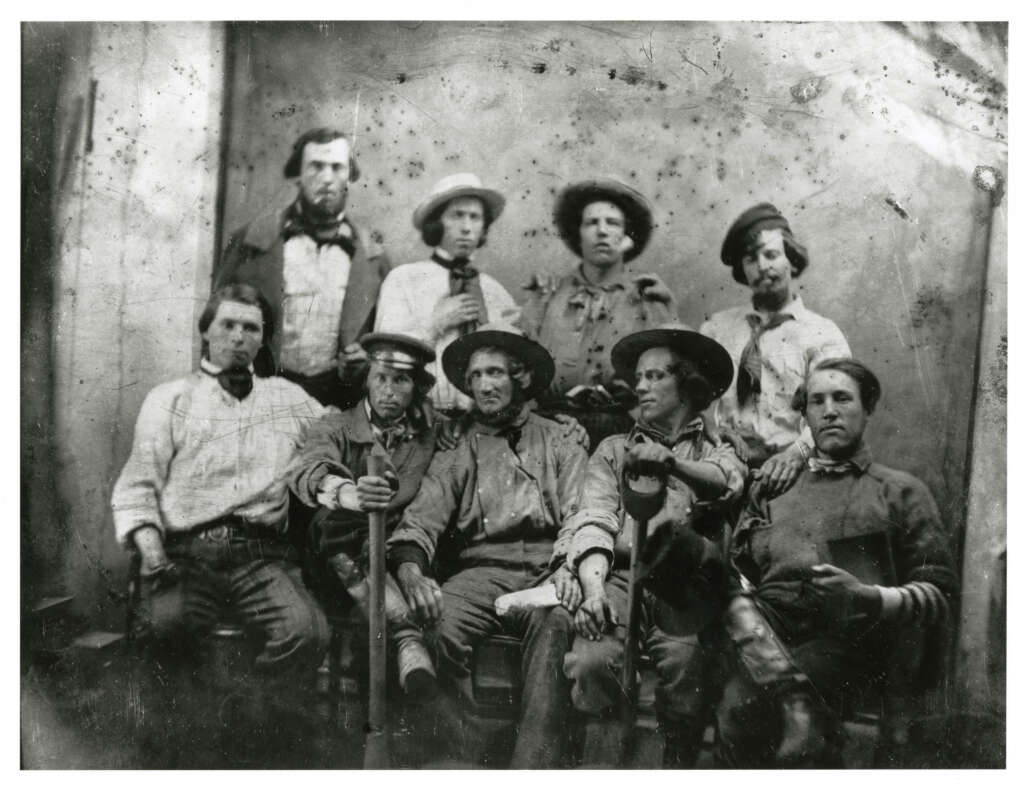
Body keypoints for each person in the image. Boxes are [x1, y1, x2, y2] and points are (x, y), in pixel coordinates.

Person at [717, 358, 958, 767]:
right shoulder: (775, 486)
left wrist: (870, 596)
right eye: (817, 401)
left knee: (784, 705)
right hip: (764, 631)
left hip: (844, 639)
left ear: (867, 408)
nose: (829, 410)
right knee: (737, 707)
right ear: (806, 415)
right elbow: (739, 571)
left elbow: (941, 595)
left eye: (842, 398)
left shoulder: (898, 491)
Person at [387, 326, 588, 768]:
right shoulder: (458, 444)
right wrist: (411, 570)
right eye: (476, 375)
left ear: (520, 379)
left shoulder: (560, 439)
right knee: (431, 625)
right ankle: (468, 755)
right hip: (483, 574)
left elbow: (581, 514)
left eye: (495, 372)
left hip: (548, 568)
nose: (484, 385)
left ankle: (530, 767)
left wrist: (568, 569)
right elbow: (423, 516)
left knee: (556, 626)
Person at [111, 283, 329, 682]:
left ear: (263, 339)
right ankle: (190, 736)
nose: (238, 337)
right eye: (228, 324)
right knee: (164, 633)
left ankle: (248, 722)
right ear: (206, 331)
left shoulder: (287, 398)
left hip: (262, 557)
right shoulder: (171, 398)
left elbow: (339, 435)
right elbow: (137, 485)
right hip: (186, 555)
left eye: (251, 328)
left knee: (308, 635)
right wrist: (154, 557)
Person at [557, 326, 746, 767]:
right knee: (592, 661)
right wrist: (595, 591)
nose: (640, 386)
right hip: (620, 579)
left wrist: (674, 463)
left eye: (656, 376)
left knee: (687, 666)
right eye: (638, 377)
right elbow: (594, 520)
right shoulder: (613, 449)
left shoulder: (718, 448)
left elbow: (728, 483)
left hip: (686, 588)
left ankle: (674, 766)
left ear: (687, 385)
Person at [289, 332, 440, 695]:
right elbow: (308, 468)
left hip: (398, 559)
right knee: (335, 522)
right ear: (366, 381)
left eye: (401, 380)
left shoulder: (432, 431)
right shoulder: (335, 426)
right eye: (380, 378)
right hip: (333, 565)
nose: (389, 390)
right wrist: (346, 493)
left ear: (416, 388)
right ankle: (406, 636)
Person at [215, 127, 392, 409]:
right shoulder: (251, 243)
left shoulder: (373, 257)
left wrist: (364, 365)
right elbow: (216, 326)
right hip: (261, 399)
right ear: (298, 173)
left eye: (337, 168)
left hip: (340, 404)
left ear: (350, 175)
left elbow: (386, 347)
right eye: (316, 167)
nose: (326, 179)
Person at [700, 203, 850, 496]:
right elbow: (692, 400)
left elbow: (836, 411)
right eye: (751, 259)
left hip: (793, 470)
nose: (762, 265)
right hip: (723, 465)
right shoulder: (716, 329)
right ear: (742, 270)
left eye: (771, 254)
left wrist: (796, 455)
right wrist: (711, 430)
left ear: (791, 260)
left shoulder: (822, 334)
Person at [522, 177, 678, 448]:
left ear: (627, 236)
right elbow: (520, 369)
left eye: (613, 223)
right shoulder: (547, 295)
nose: (602, 231)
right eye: (592, 223)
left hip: (623, 433)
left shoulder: (647, 298)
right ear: (578, 233)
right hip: (547, 430)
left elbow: (671, 381)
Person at [374, 173, 521, 416]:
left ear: (483, 227)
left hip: (483, 422)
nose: (466, 227)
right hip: (418, 418)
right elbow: (384, 360)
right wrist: (435, 324)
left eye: (475, 217)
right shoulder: (403, 280)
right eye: (457, 215)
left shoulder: (496, 292)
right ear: (437, 223)